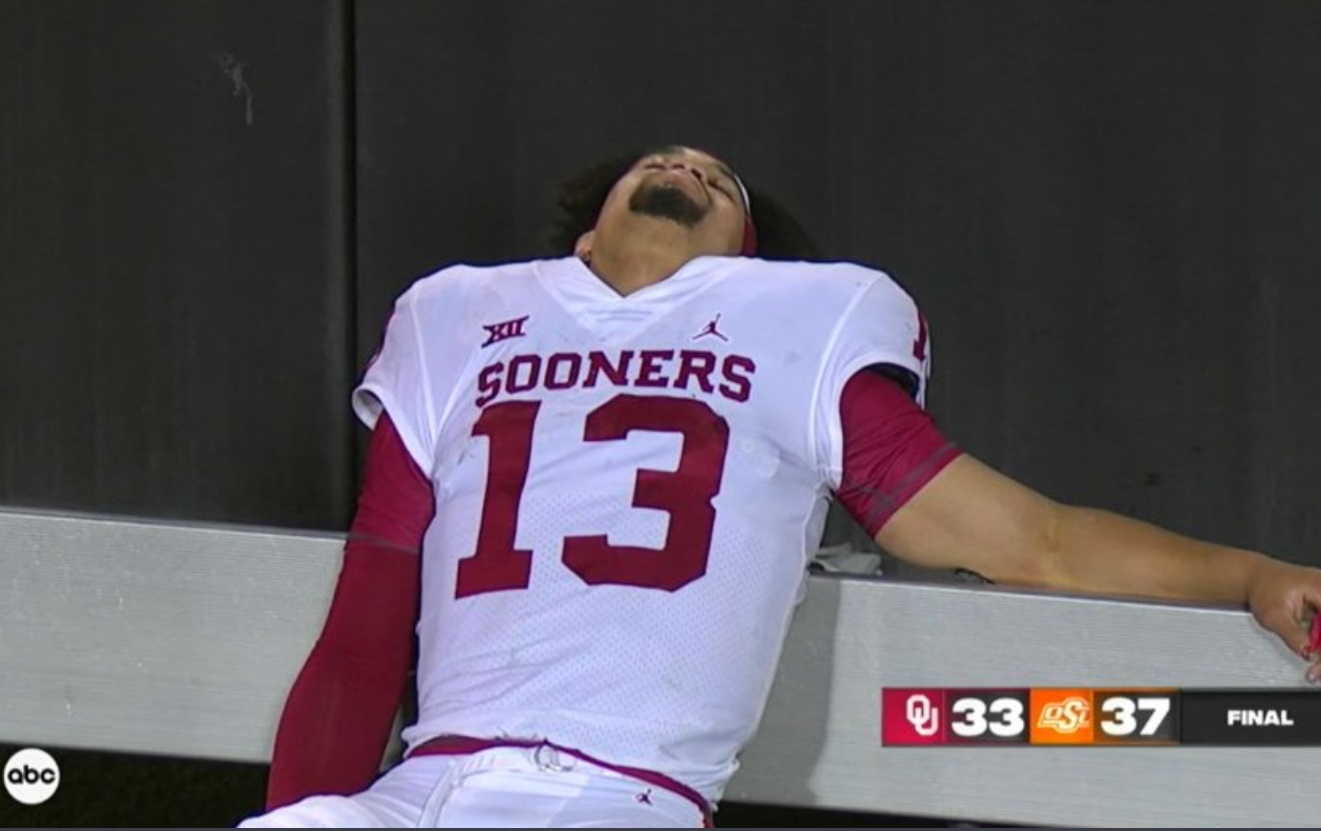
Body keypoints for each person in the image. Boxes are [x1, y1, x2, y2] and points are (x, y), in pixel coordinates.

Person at [241, 145, 1321, 829]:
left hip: (611, 794)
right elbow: (365, 624)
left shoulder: (795, 342)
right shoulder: (457, 322)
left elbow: (1033, 542)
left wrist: (1249, 576)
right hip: (417, 785)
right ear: (585, 229)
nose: (693, 165)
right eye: (666, 161)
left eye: (727, 187)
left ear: (753, 268)